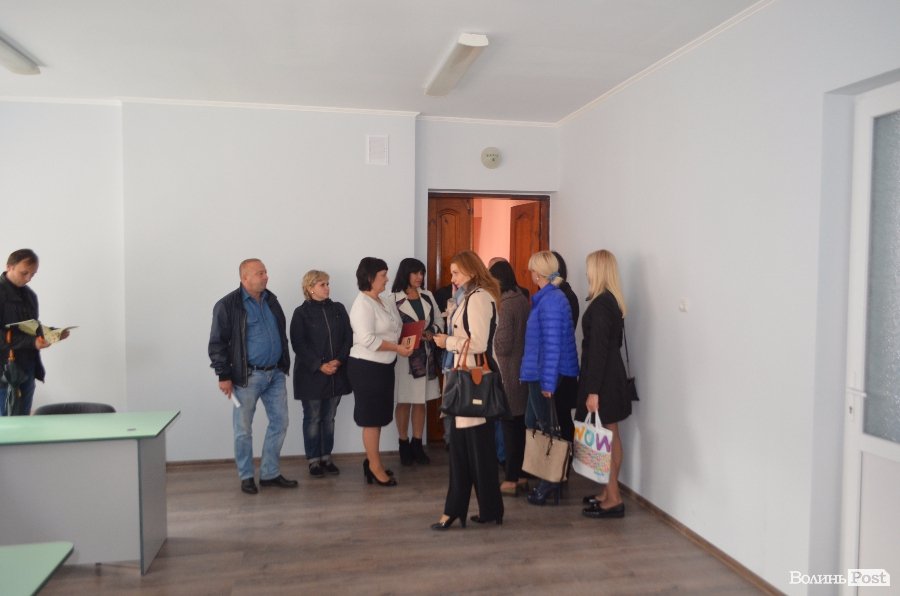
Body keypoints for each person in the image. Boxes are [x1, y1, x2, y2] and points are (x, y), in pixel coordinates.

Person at [208, 258, 298, 495]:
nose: (266, 276)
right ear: (244, 278)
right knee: (243, 429)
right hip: (246, 377)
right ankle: (246, 476)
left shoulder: (271, 300)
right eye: (260, 273)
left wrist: (282, 365)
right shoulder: (227, 305)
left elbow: (280, 334)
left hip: (275, 375)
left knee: (280, 423)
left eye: (265, 272)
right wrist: (223, 375)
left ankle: (269, 473)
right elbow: (217, 344)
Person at [432, 250, 504, 529]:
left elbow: (478, 343)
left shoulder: (479, 298)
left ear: (472, 271)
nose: (452, 278)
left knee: (474, 452)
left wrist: (447, 342)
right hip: (467, 379)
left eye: (456, 273)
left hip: (473, 381)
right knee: (466, 452)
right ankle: (478, 509)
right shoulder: (469, 296)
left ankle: (466, 510)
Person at [347, 257, 414, 487]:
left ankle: (372, 463)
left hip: (384, 367)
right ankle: (375, 468)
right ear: (369, 278)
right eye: (383, 275)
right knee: (371, 419)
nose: (387, 279)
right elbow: (367, 339)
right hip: (366, 368)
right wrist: (397, 348)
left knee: (378, 417)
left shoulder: (384, 301)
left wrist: (405, 341)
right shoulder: (362, 304)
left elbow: (396, 329)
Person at [519, 250, 579, 506]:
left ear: (539, 272)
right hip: (537, 371)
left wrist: (548, 383)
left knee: (547, 428)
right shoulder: (547, 298)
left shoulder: (552, 300)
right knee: (534, 422)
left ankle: (551, 481)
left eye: (532, 269)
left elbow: (553, 346)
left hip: (543, 374)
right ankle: (546, 476)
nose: (530, 273)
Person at [578, 250, 631, 519]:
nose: (586, 272)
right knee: (611, 434)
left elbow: (597, 351)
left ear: (597, 270)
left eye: (589, 268)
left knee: (605, 438)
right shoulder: (612, 301)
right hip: (613, 375)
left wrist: (593, 391)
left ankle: (614, 499)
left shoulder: (600, 305)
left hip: (604, 380)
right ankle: (609, 492)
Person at [289, 270, 352, 478]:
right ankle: (313, 461)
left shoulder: (338, 309)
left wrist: (339, 360)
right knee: (313, 418)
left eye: (327, 283)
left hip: (336, 373)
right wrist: (319, 365)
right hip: (311, 376)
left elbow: (348, 338)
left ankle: (326, 457)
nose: (327, 288)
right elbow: (299, 344)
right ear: (310, 288)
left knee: (329, 417)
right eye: (322, 284)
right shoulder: (301, 313)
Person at [0, 249, 68, 416]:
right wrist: (32, 342)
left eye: (33, 274)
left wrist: (53, 333)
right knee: (5, 425)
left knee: (24, 423)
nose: (28, 278)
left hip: (27, 367)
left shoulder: (29, 295)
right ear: (9, 267)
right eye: (24, 273)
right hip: (4, 371)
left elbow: (31, 327)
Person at [391, 258, 443, 466]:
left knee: (421, 401)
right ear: (405, 274)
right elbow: (390, 327)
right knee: (404, 400)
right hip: (405, 357)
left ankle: (417, 443)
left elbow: (439, 320)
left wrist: (431, 332)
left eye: (422, 273)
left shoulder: (427, 295)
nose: (420, 277)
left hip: (426, 355)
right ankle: (403, 443)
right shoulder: (393, 299)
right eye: (416, 273)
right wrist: (408, 335)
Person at [488, 259, 531, 497]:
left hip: (508, 373)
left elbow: (503, 345)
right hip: (521, 371)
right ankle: (521, 475)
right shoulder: (521, 298)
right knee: (520, 426)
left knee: (509, 428)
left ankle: (511, 479)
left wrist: (488, 338)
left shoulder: (505, 304)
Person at [551, 251, 579, 444]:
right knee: (559, 417)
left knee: (561, 418)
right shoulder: (559, 294)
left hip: (560, 369)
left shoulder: (564, 296)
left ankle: (563, 460)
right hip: (559, 367)